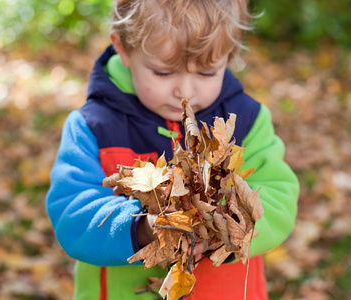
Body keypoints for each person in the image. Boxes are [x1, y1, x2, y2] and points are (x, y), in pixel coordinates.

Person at [46, 0, 299, 299]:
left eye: (206, 73)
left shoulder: (247, 121)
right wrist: (142, 227)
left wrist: (225, 230)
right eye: (163, 72)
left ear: (229, 56)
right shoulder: (94, 126)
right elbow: (72, 212)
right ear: (123, 49)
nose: (186, 91)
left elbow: (278, 196)